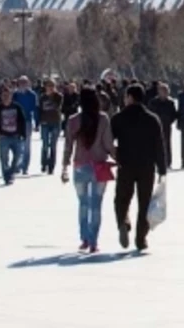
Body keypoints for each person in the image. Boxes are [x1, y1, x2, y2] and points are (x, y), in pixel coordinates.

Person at [111, 84, 166, 252]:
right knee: (145, 203)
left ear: (130, 97)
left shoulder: (119, 118)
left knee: (121, 198)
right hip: (147, 166)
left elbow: (109, 141)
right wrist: (162, 169)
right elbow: (159, 145)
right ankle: (141, 238)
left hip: (126, 165)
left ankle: (123, 222)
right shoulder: (152, 118)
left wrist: (116, 155)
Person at [62, 87, 115, 253]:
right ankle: (94, 241)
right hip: (99, 167)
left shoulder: (73, 120)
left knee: (83, 203)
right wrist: (118, 157)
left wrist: (64, 166)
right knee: (96, 205)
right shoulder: (103, 119)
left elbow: (68, 146)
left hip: (80, 167)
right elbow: (108, 144)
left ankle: (84, 238)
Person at [0, 86, 28, 185]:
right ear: (1, 97)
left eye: (8, 95)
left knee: (18, 157)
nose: (6, 97)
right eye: (4, 95)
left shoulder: (17, 107)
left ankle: (12, 171)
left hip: (16, 136)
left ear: (11, 96)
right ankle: (7, 177)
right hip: (3, 136)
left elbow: (23, 121)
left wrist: (23, 134)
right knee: (4, 158)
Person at [12, 76, 39, 176]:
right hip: (16, 122)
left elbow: (35, 109)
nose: (23, 84)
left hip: (27, 121)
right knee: (18, 144)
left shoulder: (32, 95)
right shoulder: (15, 95)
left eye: (25, 82)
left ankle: (25, 167)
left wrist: (37, 123)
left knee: (27, 145)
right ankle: (17, 165)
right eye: (21, 82)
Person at [147, 82, 177, 168]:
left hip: (167, 126)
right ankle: (155, 161)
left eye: (165, 91)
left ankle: (168, 162)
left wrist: (169, 120)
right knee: (155, 144)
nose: (164, 93)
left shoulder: (170, 102)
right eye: (162, 91)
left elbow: (174, 114)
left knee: (167, 144)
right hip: (155, 127)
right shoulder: (153, 102)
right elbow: (150, 113)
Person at [37, 79, 64, 175]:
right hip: (44, 122)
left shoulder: (58, 97)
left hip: (55, 122)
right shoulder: (42, 98)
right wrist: (38, 122)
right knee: (45, 144)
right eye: (49, 86)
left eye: (52, 86)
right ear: (45, 87)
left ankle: (51, 166)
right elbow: (39, 110)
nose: (50, 88)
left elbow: (58, 106)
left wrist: (52, 95)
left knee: (53, 145)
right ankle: (44, 163)